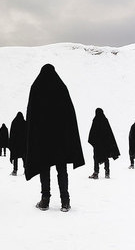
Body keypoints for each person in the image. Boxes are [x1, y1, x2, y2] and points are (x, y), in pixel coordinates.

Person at [25, 64, 85, 212]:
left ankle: (45, 200)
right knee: (61, 169)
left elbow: (31, 116)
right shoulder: (61, 87)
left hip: (43, 139)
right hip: (60, 140)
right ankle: (65, 201)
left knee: (44, 168)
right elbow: (70, 115)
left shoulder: (37, 87)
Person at [88, 108, 120, 179]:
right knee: (106, 157)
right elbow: (109, 132)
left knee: (96, 157)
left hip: (97, 144)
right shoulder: (105, 120)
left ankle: (96, 173)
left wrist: (93, 141)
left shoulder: (96, 120)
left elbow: (92, 132)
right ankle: (107, 173)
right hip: (105, 143)